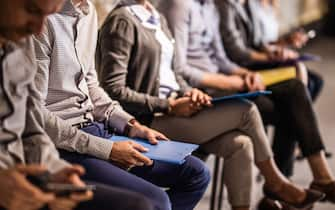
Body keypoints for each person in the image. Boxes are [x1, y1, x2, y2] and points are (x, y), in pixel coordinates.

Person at [96, 1, 326, 210]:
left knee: (241, 144)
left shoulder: (154, 14)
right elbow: (112, 89)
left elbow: (175, 73)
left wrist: (190, 92)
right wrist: (168, 105)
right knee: (247, 110)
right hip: (150, 118)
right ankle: (276, 182)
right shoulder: (123, 20)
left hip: (177, 104)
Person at [33, 0, 210, 210]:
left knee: (196, 174)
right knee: (157, 202)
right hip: (63, 145)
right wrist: (106, 149)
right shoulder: (40, 22)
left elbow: (91, 86)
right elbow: (36, 115)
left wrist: (130, 125)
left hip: (96, 129)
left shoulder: (88, 12)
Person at [158, 0, 335, 205]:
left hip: (222, 80)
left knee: (294, 89)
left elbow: (221, 59)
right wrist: (232, 81)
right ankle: (281, 189)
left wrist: (247, 75)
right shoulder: (179, 5)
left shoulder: (207, 6)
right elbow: (180, 69)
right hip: (200, 91)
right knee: (288, 109)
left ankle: (315, 176)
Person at [0, 1, 155, 210]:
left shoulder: (21, 44)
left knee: (148, 199)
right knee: (145, 204)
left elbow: (31, 126)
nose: (39, 29)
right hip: (24, 168)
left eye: (49, 15)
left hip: (30, 167)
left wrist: (57, 171)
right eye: (32, 10)